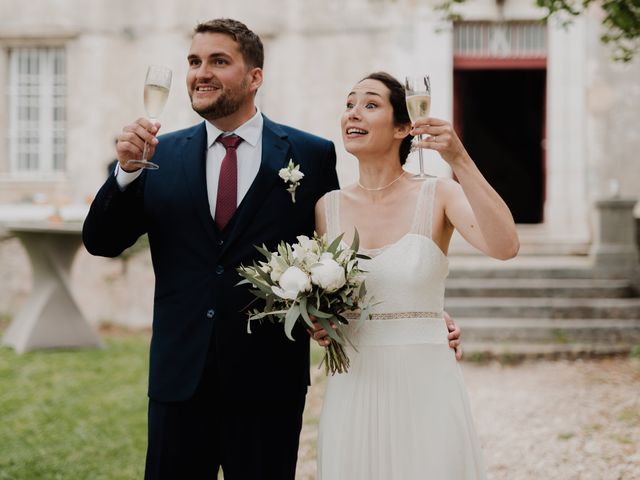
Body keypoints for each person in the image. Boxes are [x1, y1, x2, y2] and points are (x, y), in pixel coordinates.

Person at [83, 19, 461, 479]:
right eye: (194, 62)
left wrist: (417, 308)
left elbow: (339, 255)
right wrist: (125, 174)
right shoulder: (158, 156)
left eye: (218, 61)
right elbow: (101, 241)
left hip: (269, 385)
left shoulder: (311, 154)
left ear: (254, 77)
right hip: (179, 379)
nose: (201, 72)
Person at [313, 72, 519, 479]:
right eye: (349, 103)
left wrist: (459, 159)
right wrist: (315, 324)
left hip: (426, 384)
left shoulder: (438, 193)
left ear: (404, 127)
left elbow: (505, 245)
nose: (353, 112)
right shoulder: (326, 207)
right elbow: (317, 300)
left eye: (370, 104)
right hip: (353, 385)